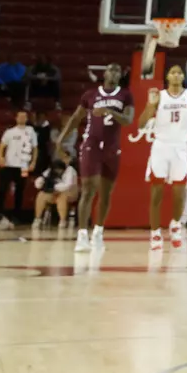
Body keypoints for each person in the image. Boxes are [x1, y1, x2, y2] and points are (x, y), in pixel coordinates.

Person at [62, 63, 134, 253]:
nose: (114, 72)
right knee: (88, 190)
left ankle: (98, 233)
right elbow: (76, 118)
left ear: (121, 75)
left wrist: (110, 111)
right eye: (111, 69)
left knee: (105, 193)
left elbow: (128, 120)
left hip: (111, 148)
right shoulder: (90, 95)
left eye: (118, 70)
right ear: (105, 73)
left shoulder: (125, 95)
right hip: (91, 145)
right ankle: (82, 235)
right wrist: (60, 139)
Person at [137, 64, 187, 252]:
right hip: (161, 146)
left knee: (179, 193)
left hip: (180, 148)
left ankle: (175, 224)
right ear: (167, 76)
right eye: (173, 72)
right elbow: (141, 124)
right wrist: (149, 105)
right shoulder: (160, 96)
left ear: (183, 77)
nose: (176, 75)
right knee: (156, 193)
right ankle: (155, 233)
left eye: (179, 72)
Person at [0, 109, 38, 226]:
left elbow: (35, 148)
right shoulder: (10, 132)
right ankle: (0, 213)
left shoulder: (31, 131)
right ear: (16, 118)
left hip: (23, 166)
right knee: (3, 189)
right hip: (9, 165)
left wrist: (33, 162)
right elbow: (2, 146)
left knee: (20, 190)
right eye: (20, 116)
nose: (22, 119)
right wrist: (0, 157)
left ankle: (16, 215)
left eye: (24, 116)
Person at [32, 155, 76, 228]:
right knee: (41, 195)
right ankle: (37, 219)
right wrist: (41, 184)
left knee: (61, 197)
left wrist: (54, 187)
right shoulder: (50, 169)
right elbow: (41, 179)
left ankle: (62, 221)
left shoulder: (70, 170)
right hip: (53, 192)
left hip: (69, 193)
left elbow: (68, 185)